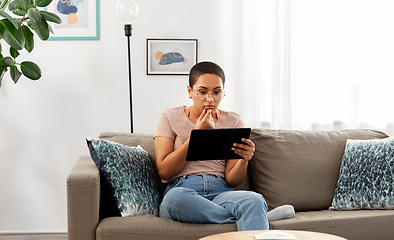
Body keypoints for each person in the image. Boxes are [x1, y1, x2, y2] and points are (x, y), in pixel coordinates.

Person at [154, 61, 294, 231]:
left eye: (217, 92)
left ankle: (253, 213)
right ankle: (256, 217)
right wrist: (197, 136)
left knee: (254, 200)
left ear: (223, 91)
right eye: (202, 92)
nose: (210, 99)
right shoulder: (170, 116)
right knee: (173, 199)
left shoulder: (233, 121)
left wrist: (244, 160)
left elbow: (232, 179)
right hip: (183, 190)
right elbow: (164, 170)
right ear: (190, 91)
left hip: (221, 191)